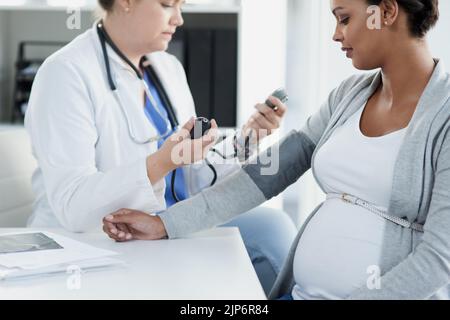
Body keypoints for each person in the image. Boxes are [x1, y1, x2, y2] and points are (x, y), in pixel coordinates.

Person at [103, 0, 450, 300]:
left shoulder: (444, 116)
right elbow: (264, 176)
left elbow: (439, 260)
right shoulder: (349, 96)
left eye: (344, 18)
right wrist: (165, 223)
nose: (335, 34)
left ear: (386, 11)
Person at [25, 0, 297, 294]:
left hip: (169, 221)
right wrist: (162, 162)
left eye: (182, 6)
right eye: (168, 4)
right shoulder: (66, 73)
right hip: (94, 241)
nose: (178, 19)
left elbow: (191, 178)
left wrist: (247, 138)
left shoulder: (168, 69)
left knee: (274, 227)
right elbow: (73, 206)